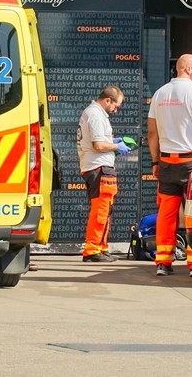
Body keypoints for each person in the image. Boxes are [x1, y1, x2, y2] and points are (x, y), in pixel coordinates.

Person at [148, 54, 192, 277]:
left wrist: (155, 161)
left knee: (166, 213)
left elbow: (152, 133)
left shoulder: (160, 93)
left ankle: (163, 262)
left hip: (167, 161)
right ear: (187, 69)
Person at [77, 86, 129, 263]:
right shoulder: (96, 115)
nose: (116, 109)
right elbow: (98, 145)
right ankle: (92, 250)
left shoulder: (94, 113)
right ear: (108, 100)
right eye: (116, 105)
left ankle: (101, 247)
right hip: (99, 168)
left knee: (105, 211)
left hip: (97, 167)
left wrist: (112, 142)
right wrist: (116, 146)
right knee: (101, 211)